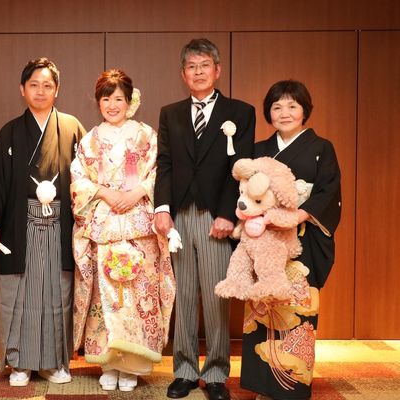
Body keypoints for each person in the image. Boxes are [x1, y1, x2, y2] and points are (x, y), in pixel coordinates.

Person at [154, 38, 256, 400]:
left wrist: (228, 214)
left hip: (217, 217)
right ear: (183, 74)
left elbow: (240, 169)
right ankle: (183, 370)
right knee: (183, 295)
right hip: (180, 216)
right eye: (191, 67)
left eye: (204, 65)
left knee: (216, 297)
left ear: (217, 70)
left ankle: (215, 374)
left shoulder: (240, 112)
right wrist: (162, 208)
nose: (198, 72)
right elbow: (165, 164)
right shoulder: (171, 113)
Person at [0, 57, 86, 387]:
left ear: (57, 90)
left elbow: (86, 179)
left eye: (47, 85)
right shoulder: (10, 132)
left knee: (56, 295)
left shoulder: (72, 128)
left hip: (59, 226)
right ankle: (19, 362)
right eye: (34, 85)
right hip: (19, 226)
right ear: (22, 89)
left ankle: (54, 362)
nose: (40, 91)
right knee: (20, 296)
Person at [70, 69, 176, 392]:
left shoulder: (146, 135)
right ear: (98, 102)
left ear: (130, 101)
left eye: (119, 99)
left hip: (140, 225)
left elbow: (160, 171)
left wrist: (138, 191)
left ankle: (133, 365)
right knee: (106, 296)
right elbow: (79, 178)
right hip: (104, 224)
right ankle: (109, 362)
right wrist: (104, 192)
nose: (112, 105)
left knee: (138, 295)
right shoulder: (90, 140)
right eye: (106, 99)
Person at [240, 80, 341, 400]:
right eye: (277, 107)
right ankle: (262, 386)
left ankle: (292, 387)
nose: (284, 113)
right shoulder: (259, 149)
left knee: (297, 307)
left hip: (301, 239)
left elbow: (328, 191)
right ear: (268, 112)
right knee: (262, 307)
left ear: (304, 110)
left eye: (292, 106)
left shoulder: (321, 148)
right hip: (264, 237)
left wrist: (298, 215)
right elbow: (245, 192)